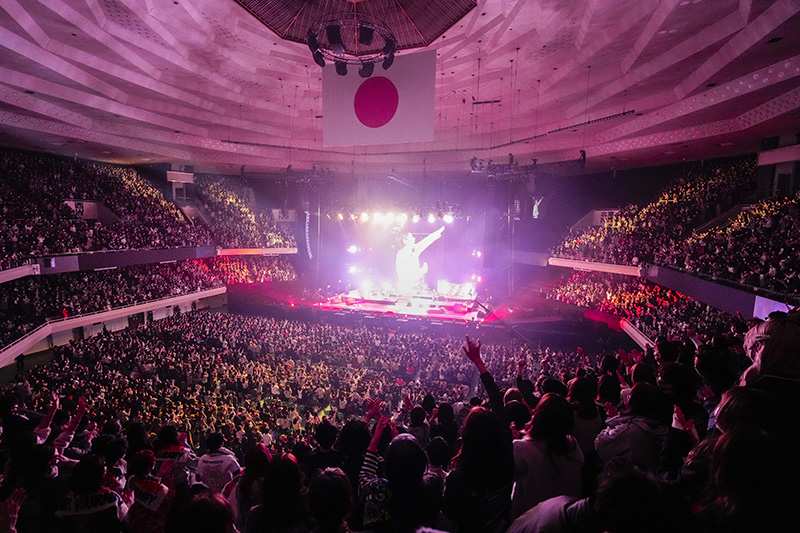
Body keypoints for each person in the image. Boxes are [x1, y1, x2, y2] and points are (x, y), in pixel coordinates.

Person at [510, 393, 583, 520]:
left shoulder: (520, 449)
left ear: (538, 417)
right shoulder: (573, 445)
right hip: (567, 519)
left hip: (530, 522)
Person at [395, 227, 444, 293]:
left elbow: (427, 241)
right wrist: (422, 270)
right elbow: (404, 276)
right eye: (411, 237)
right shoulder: (401, 255)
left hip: (415, 287)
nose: (414, 238)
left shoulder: (414, 250)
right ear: (405, 241)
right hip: (405, 289)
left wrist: (441, 230)